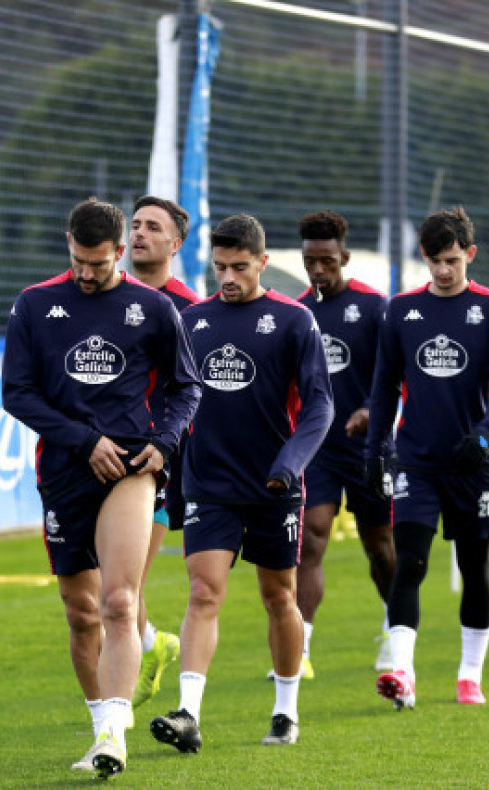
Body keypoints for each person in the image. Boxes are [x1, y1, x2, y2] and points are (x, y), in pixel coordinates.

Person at [2, 198, 201, 778]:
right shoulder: (36, 304)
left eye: (100, 263)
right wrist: (85, 441)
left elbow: (186, 388)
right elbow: (17, 392)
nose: (88, 274)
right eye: (79, 261)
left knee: (118, 602)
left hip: (132, 473)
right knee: (80, 611)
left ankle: (114, 734)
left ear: (120, 251)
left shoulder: (153, 307)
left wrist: (161, 444)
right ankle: (99, 727)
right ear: (69, 244)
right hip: (65, 470)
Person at [150, 214, 333, 751]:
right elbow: (174, 400)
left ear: (262, 262)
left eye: (238, 267)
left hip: (274, 485)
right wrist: (173, 473)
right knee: (204, 591)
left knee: (280, 596)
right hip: (209, 482)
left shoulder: (295, 321)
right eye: (219, 267)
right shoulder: (193, 320)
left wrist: (290, 462)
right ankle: (188, 714)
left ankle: (285, 710)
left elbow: (320, 405)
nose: (227, 277)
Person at [367, 206, 489, 709]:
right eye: (435, 261)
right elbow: (384, 385)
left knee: (474, 567)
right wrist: (376, 448)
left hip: (471, 464)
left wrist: (487, 434)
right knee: (408, 563)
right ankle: (403, 674)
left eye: (453, 260)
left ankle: (469, 675)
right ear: (424, 257)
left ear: (470, 254)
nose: (444, 270)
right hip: (416, 461)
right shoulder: (401, 310)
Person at [291, 210, 394, 678]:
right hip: (319, 450)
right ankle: (300, 647)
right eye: (311, 261)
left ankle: (396, 632)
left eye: (327, 261)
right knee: (311, 538)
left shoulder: (374, 306)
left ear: (344, 258)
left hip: (370, 448)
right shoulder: (296, 313)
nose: (318, 270)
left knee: (380, 546)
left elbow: (396, 371)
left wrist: (373, 408)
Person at [126, 196, 200, 710]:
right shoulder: (110, 296)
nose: (139, 234)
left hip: (161, 462)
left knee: (121, 582)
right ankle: (152, 644)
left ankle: (115, 711)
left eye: (153, 227)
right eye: (134, 225)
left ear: (175, 244)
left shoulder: (191, 310)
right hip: (105, 455)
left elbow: (198, 390)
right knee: (111, 583)